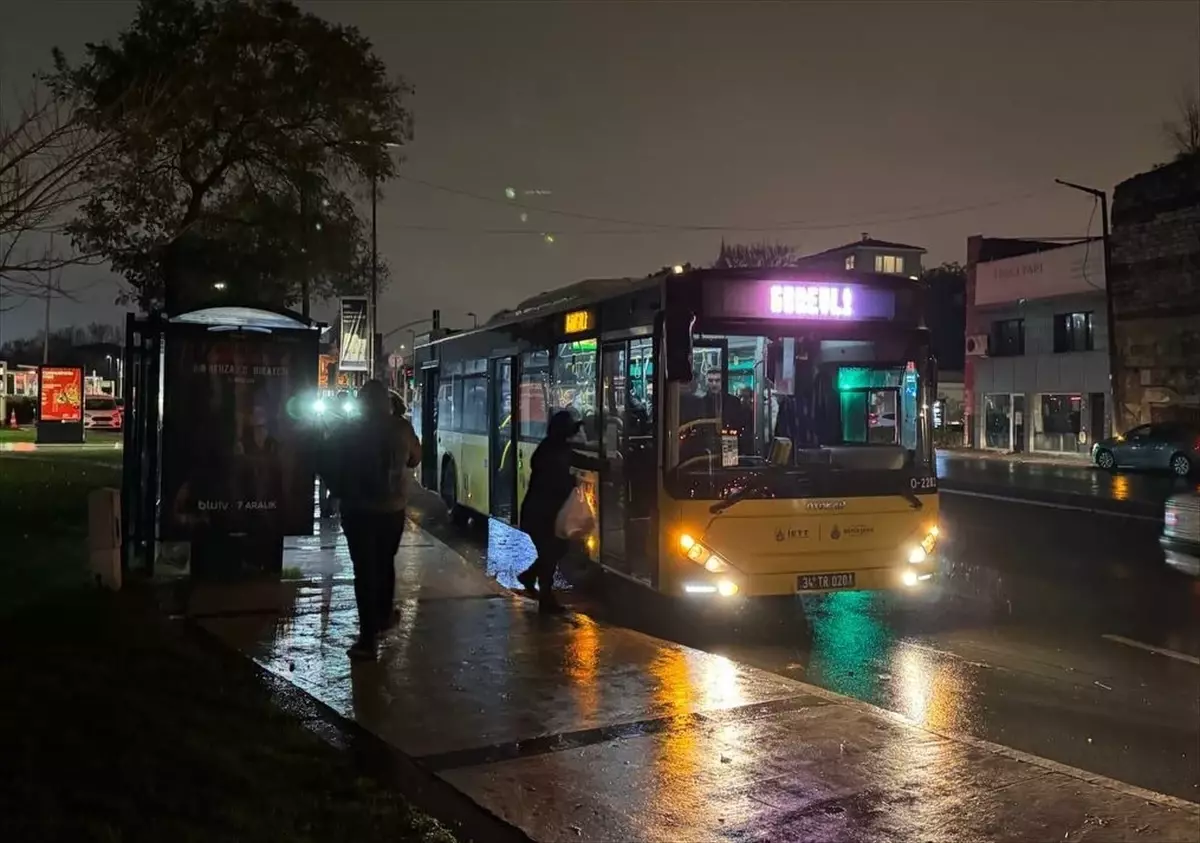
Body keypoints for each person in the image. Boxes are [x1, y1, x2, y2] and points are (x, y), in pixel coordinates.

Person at [330, 379, 422, 660]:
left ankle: (368, 638)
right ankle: (383, 615)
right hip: (392, 510)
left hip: (358, 511)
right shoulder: (401, 428)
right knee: (385, 563)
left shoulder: (347, 429)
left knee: (364, 571)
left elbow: (333, 461)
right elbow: (415, 459)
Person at [516, 410, 580, 614]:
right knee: (551, 551)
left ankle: (530, 578)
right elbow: (555, 480)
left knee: (556, 550)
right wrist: (571, 484)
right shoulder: (552, 451)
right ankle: (546, 598)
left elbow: (578, 458)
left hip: (544, 512)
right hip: (540, 514)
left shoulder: (555, 446)